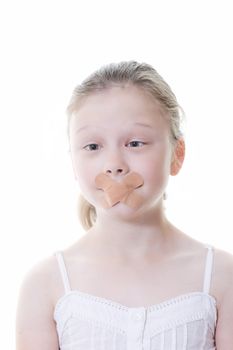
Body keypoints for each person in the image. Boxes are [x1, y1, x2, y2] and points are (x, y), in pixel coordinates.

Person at [15, 61, 233, 349]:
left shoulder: (221, 275)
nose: (114, 165)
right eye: (93, 146)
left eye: (135, 143)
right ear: (73, 163)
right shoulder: (45, 284)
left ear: (177, 155)